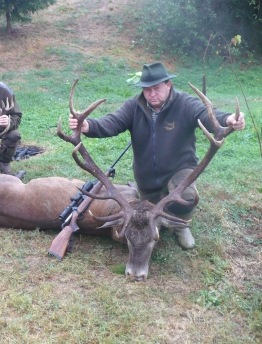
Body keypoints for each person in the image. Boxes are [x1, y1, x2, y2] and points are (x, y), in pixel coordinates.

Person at [69, 62, 245, 248]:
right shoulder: (133, 107)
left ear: (168, 85)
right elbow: (113, 122)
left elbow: (206, 113)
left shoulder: (184, 104)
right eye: (147, 90)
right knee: (146, 219)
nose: (152, 94)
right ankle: (162, 209)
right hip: (147, 180)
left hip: (179, 170)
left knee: (185, 198)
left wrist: (228, 119)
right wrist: (89, 125)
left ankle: (181, 225)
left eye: (157, 88)